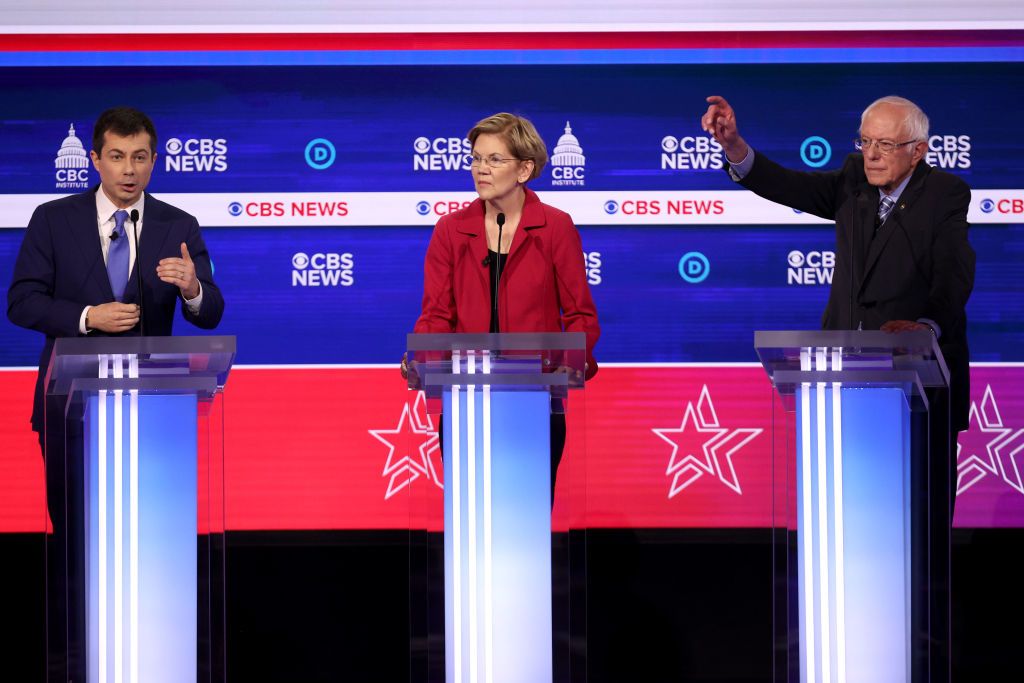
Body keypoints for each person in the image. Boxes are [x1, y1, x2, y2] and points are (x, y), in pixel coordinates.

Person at [701, 94, 973, 680]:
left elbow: (956, 273)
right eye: (865, 141)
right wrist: (735, 148)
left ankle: (916, 660)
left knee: (918, 545)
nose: (871, 155)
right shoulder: (852, 182)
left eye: (885, 145)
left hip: (917, 395)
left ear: (918, 151)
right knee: (848, 541)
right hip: (844, 392)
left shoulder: (945, 196)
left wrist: (926, 325)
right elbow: (788, 187)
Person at [7, 106, 224, 682]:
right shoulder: (53, 219)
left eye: (141, 157)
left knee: (152, 550)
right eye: (117, 157)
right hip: (69, 412)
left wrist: (194, 288)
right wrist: (85, 316)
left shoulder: (178, 225)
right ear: (97, 159)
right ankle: (85, 660)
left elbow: (211, 314)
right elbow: (22, 301)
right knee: (78, 548)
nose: (129, 170)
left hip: (154, 417)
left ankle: (152, 661)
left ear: (154, 160)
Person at [406, 111, 600, 493]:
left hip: (537, 400)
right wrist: (423, 360)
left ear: (524, 169)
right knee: (473, 519)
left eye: (495, 159)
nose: (481, 169)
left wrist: (562, 366)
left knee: (525, 516)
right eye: (476, 158)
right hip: (467, 402)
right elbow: (436, 315)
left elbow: (580, 315)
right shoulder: (451, 230)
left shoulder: (555, 227)